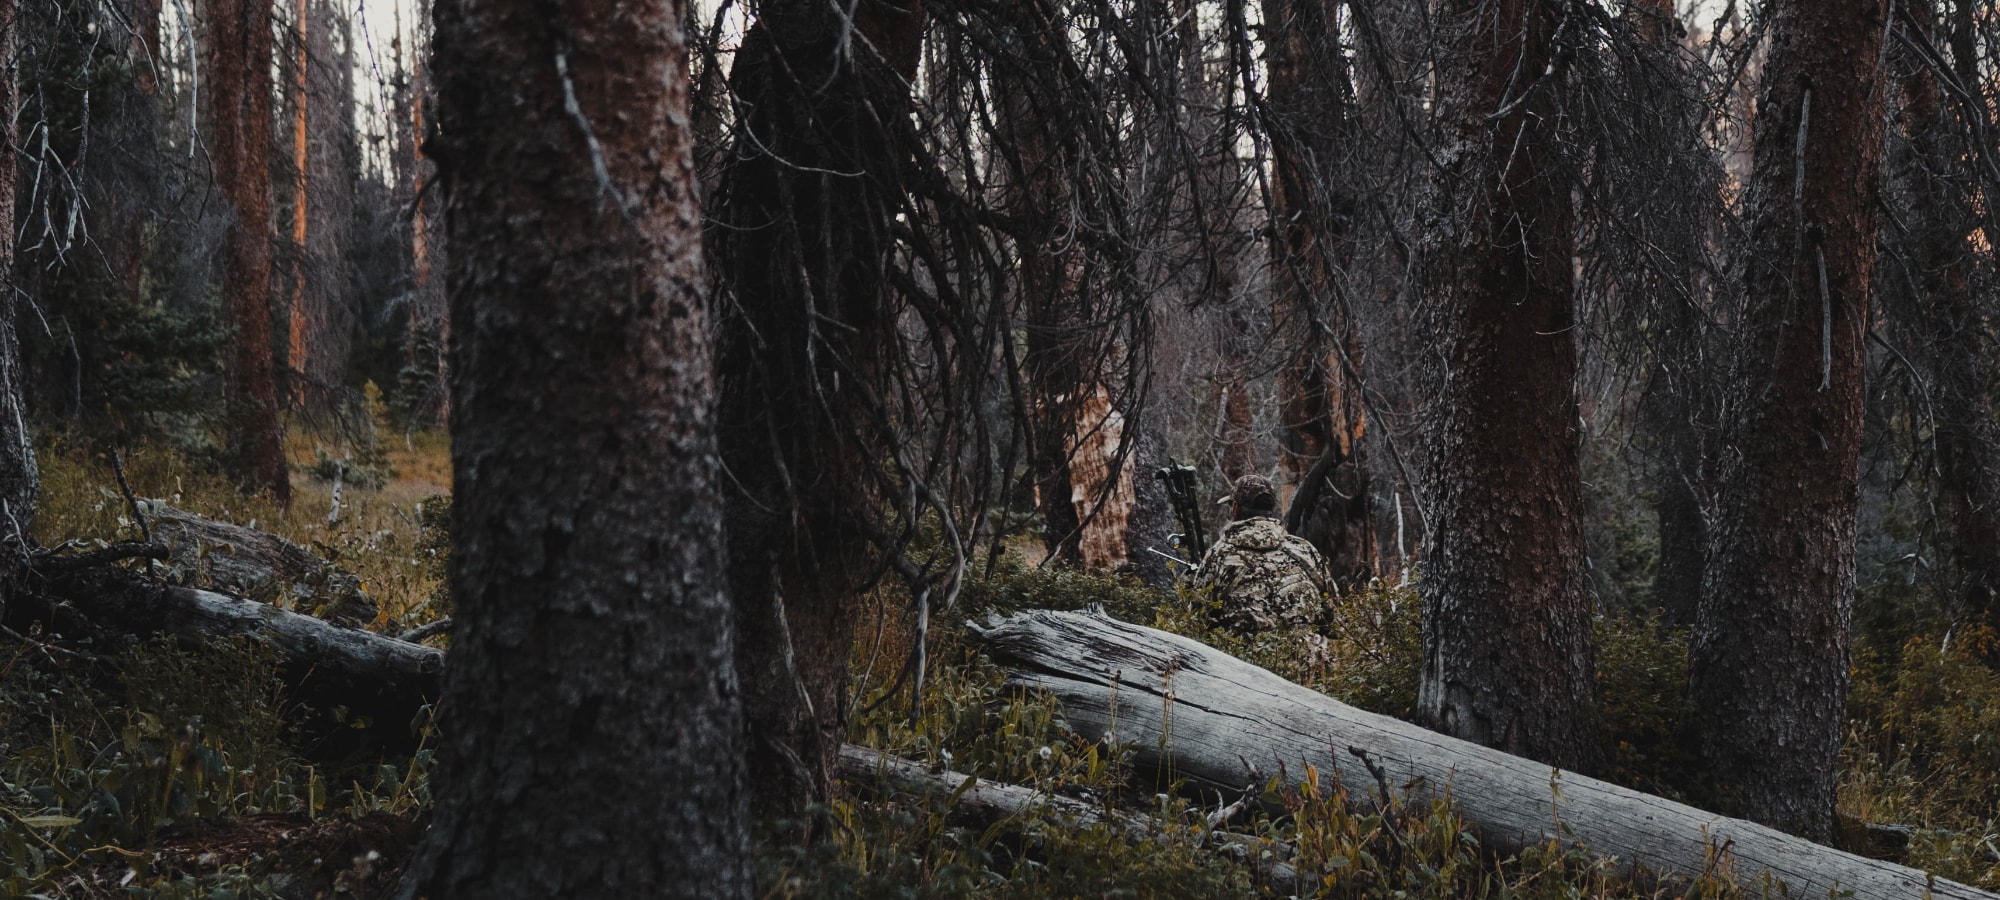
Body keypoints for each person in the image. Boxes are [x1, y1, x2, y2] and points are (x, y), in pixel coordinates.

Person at [1190, 474, 1331, 635]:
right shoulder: (1304, 550)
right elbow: (1332, 616)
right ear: (1272, 509)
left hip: (1242, 660)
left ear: (1235, 508)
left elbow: (1198, 622)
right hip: (1309, 657)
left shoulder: (1218, 556)